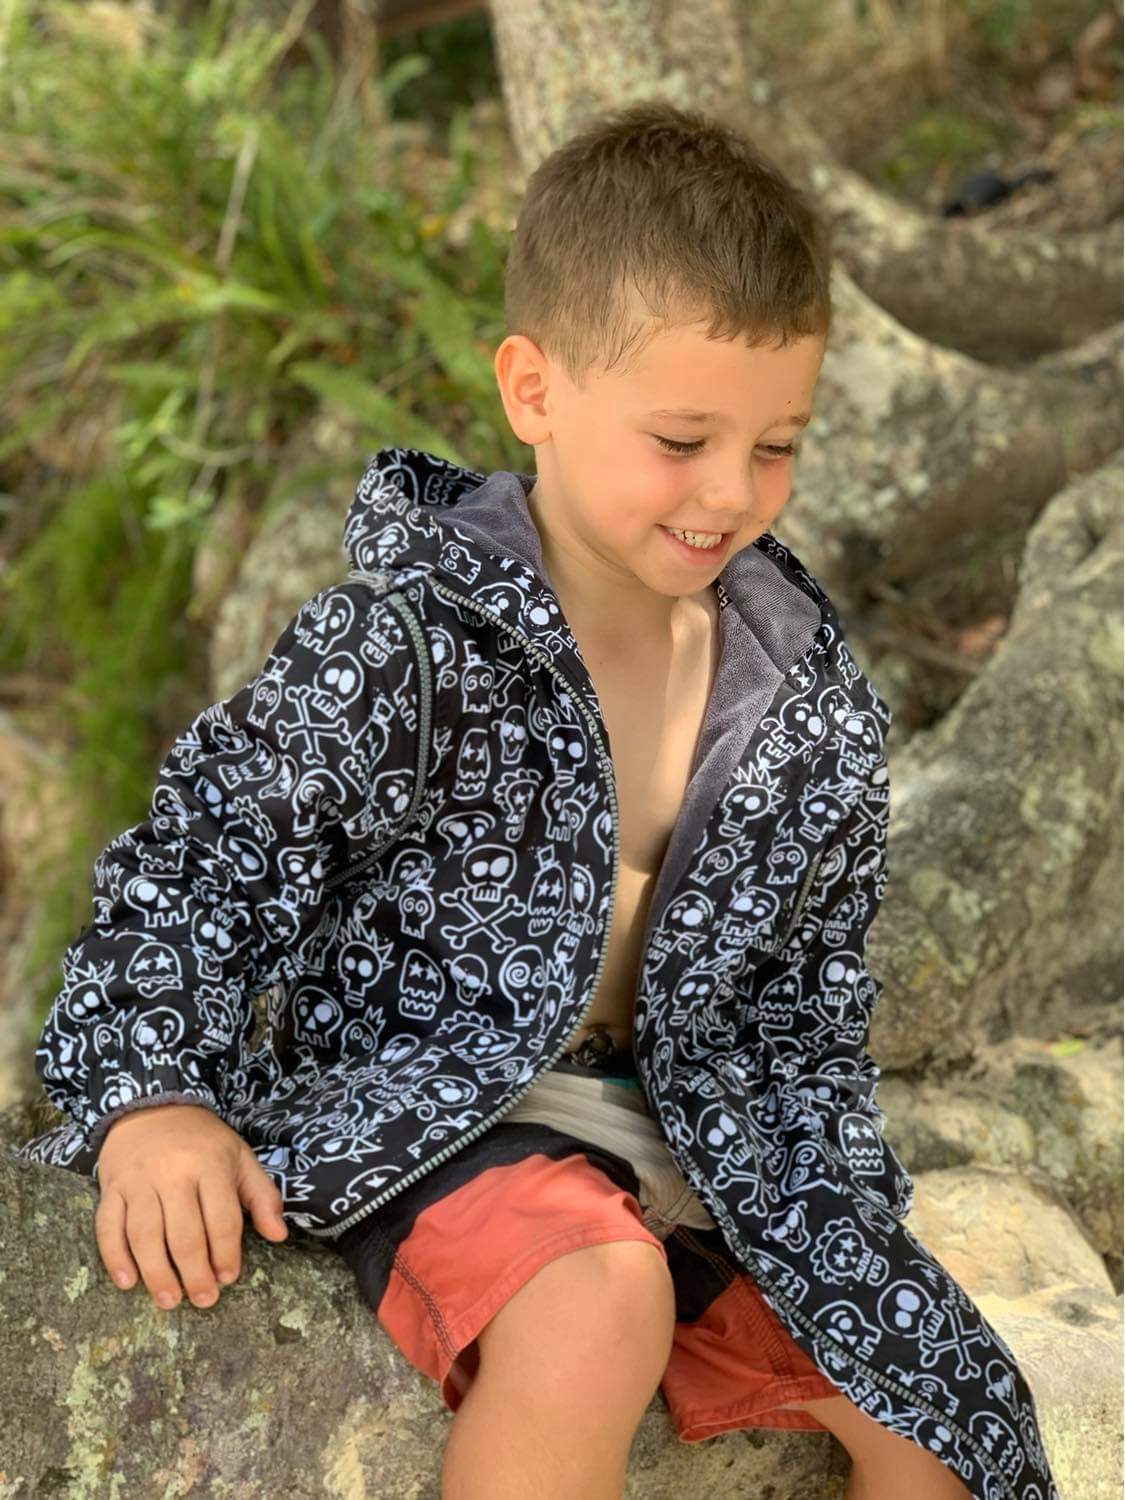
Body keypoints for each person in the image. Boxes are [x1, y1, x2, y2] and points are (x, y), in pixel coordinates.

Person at [12, 100, 1058, 1500]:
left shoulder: (803, 695)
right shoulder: (409, 643)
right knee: (594, 1303)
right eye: (681, 440)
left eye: (776, 446)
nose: (730, 494)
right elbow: (199, 865)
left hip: (705, 1146)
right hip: (439, 1118)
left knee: (940, 1414)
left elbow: (804, 995)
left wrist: (839, 1227)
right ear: (534, 390)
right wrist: (149, 1102)